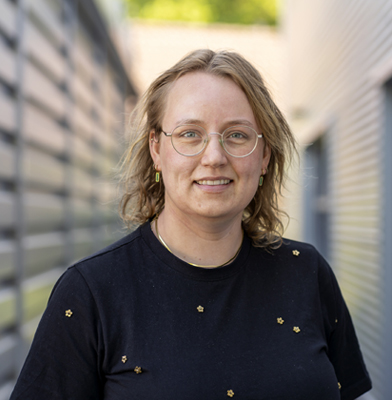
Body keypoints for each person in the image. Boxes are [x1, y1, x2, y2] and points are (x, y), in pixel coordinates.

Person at [10, 49, 372, 400]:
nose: (214, 157)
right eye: (189, 134)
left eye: (237, 135)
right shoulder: (91, 292)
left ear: (264, 155)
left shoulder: (307, 273)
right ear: (156, 149)